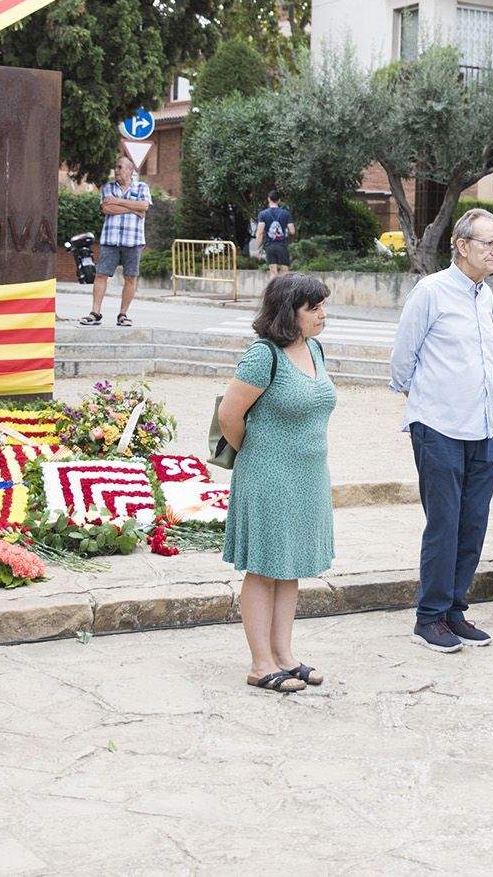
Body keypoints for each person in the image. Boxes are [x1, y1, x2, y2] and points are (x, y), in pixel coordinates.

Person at [390, 208, 493, 653]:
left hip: (479, 427)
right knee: (444, 523)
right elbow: (403, 360)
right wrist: (427, 403)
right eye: (488, 243)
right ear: (462, 245)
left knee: (473, 523)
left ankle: (456, 609)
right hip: (438, 426)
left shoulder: (484, 295)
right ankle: (430, 615)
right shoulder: (431, 291)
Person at [217, 274, 337, 693]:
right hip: (268, 475)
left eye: (323, 305)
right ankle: (260, 662)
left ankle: (285, 655)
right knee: (264, 568)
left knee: (290, 568)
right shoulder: (263, 356)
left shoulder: (315, 349)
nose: (324, 313)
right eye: (314, 307)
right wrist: (259, 454)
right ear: (290, 312)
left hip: (308, 476)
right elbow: (229, 416)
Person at [80, 158, 151, 327]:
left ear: (130, 170)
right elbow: (107, 209)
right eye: (116, 167)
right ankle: (95, 313)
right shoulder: (108, 188)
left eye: (120, 167)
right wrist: (133, 208)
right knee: (101, 275)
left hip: (133, 240)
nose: (116, 170)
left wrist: (118, 201)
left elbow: (144, 206)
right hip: (110, 240)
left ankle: (123, 315)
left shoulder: (142, 187)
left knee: (131, 278)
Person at [255, 191, 296, 277]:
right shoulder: (286, 214)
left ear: (268, 199)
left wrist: (257, 249)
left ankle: (272, 290)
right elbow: (292, 231)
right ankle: (284, 290)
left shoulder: (263, 214)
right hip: (282, 246)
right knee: (285, 272)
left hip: (269, 246)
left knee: (273, 272)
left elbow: (260, 233)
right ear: (279, 200)